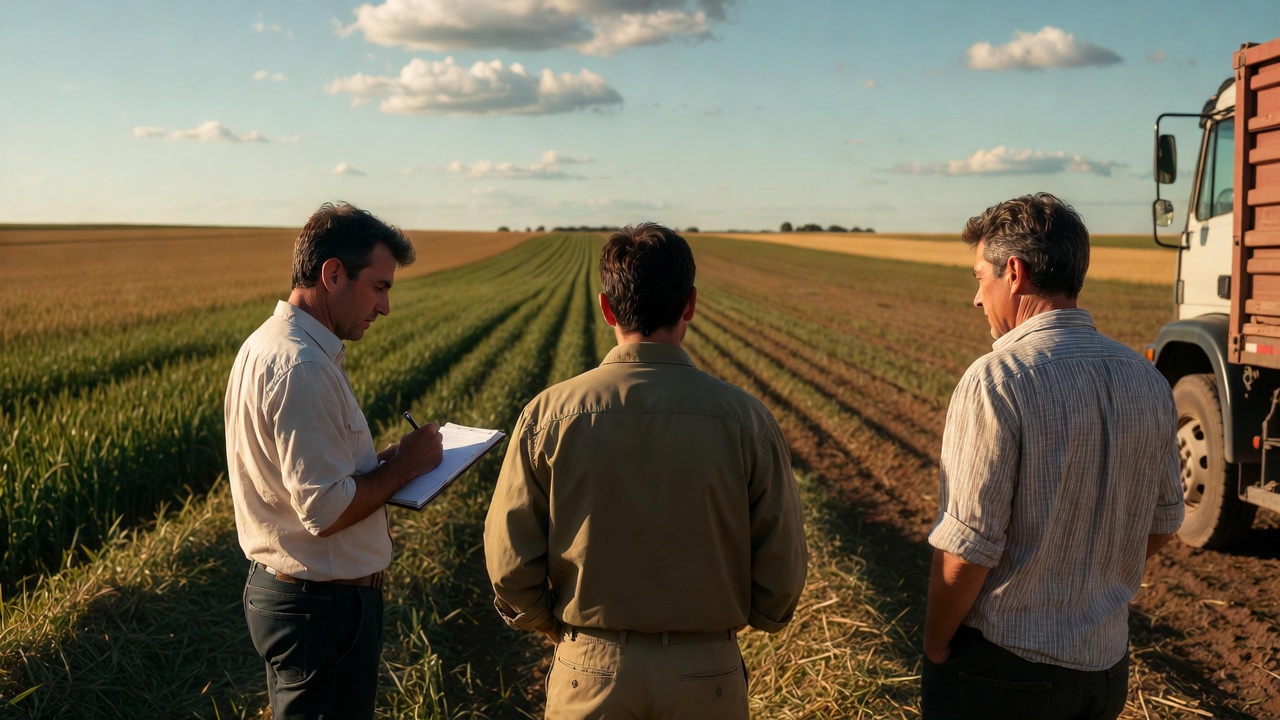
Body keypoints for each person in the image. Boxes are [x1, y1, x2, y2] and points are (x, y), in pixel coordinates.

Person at [483, 222, 808, 719]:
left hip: (588, 671)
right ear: (691, 305)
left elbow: (508, 562)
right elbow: (782, 566)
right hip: (708, 675)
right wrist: (733, 630)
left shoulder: (548, 415)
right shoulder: (746, 420)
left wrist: (553, 628)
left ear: (607, 307)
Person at [921, 193, 1184, 719]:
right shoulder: (1146, 378)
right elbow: (1163, 522)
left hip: (1004, 673)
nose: (977, 298)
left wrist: (934, 644)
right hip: (1105, 670)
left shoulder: (996, 380)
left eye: (980, 278)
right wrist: (1088, 579)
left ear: (1013, 272)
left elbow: (967, 548)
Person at [224, 201, 444, 719]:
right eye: (380, 286)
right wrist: (403, 468)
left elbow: (310, 477)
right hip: (318, 609)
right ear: (333, 273)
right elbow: (324, 510)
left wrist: (392, 460)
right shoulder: (302, 366)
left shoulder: (269, 344)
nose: (385, 307)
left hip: (307, 602)